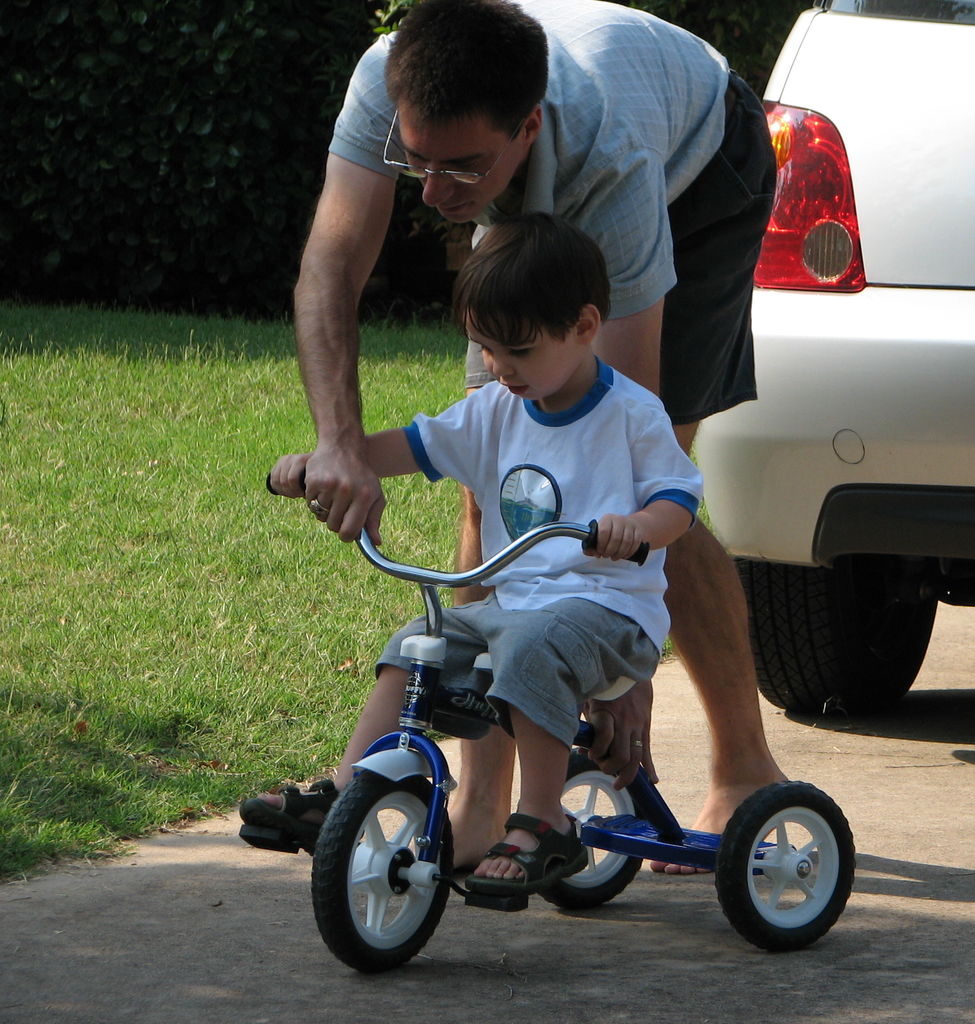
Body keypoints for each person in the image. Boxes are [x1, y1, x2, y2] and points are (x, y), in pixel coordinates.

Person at [261, 0, 784, 871]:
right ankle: (475, 805)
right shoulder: (383, 81)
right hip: (553, 161)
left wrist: (623, 678)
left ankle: (743, 767)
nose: (430, 195)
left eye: (459, 168)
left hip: (700, 166)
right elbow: (331, 264)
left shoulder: (608, 160)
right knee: (496, 477)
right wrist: (339, 444)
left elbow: (630, 439)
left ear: (528, 127)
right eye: (413, 160)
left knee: (636, 489)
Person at [250, 214, 701, 892]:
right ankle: (344, 792)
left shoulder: (630, 415)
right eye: (485, 348)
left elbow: (679, 500)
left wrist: (637, 527)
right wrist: (328, 461)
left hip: (608, 614)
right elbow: (403, 447)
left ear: (583, 327)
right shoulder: (495, 410)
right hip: (512, 609)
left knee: (528, 647)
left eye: (516, 350)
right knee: (412, 647)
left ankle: (542, 821)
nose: (497, 367)